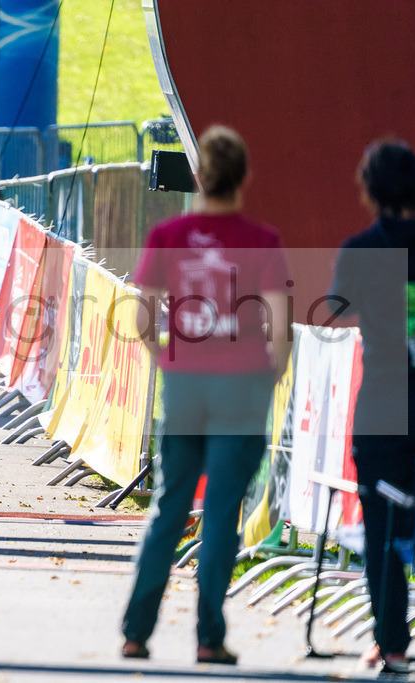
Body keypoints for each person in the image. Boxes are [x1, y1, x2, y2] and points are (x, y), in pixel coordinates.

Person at [119, 126, 291, 665]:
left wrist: (165, 358)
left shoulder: (168, 235)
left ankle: (136, 632)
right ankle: (208, 636)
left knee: (170, 507)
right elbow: (280, 327)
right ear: (244, 178)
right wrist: (269, 376)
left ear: (198, 176)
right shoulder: (262, 240)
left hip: (186, 384)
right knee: (221, 513)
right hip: (242, 384)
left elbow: (141, 316)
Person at [328, 140, 415, 675]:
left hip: (384, 402)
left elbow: (337, 307)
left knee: (382, 526)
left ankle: (392, 644)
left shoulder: (362, 248)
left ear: (370, 190)